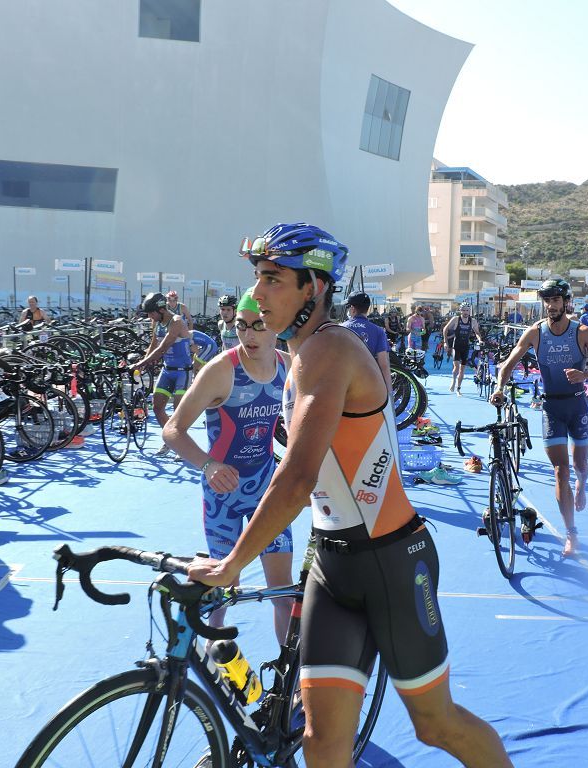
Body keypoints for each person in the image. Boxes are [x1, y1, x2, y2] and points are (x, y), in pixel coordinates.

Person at [189, 223, 511, 768]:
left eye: (272, 280)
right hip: (332, 565)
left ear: (313, 289)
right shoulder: (298, 359)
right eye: (256, 280)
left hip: (391, 559)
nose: (257, 293)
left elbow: (295, 478)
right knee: (320, 742)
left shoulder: (330, 350)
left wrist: (231, 564)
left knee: (435, 725)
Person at [163, 289, 293, 643]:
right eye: (241, 326)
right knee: (219, 594)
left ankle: (292, 684)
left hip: (268, 490)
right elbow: (172, 430)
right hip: (223, 495)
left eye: (258, 326)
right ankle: (213, 677)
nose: (248, 335)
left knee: (283, 593)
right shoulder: (221, 371)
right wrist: (207, 465)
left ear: (276, 326)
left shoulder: (289, 365)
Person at [490, 279, 588, 557]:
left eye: (556, 300)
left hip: (577, 406)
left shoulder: (583, 332)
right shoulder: (535, 333)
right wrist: (498, 388)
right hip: (551, 408)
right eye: (547, 300)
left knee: (580, 465)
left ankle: (583, 480)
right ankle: (572, 534)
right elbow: (508, 364)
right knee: (560, 471)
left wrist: (586, 376)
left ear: (566, 302)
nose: (550, 305)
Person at [133, 292, 194, 458]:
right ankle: (171, 440)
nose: (149, 316)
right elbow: (154, 344)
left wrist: (140, 364)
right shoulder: (156, 321)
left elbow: (162, 348)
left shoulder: (176, 321)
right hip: (167, 370)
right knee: (158, 407)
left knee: (177, 412)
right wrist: (143, 361)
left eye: (151, 312)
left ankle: (181, 445)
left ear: (161, 309)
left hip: (183, 372)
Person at [341, 291, 391, 394]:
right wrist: (389, 393)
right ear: (367, 309)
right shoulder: (378, 331)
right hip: (368, 386)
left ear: (352, 308)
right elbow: (384, 365)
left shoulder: (340, 329)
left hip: (343, 385)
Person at [442, 302, 483, 395]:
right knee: (456, 366)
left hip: (465, 346)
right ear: (460, 311)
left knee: (462, 369)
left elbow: (477, 332)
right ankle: (453, 381)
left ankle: (458, 388)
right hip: (456, 345)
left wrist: (480, 339)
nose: (465, 312)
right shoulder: (456, 319)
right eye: (463, 310)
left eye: (467, 310)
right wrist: (445, 342)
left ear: (470, 311)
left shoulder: (473, 321)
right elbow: (445, 329)